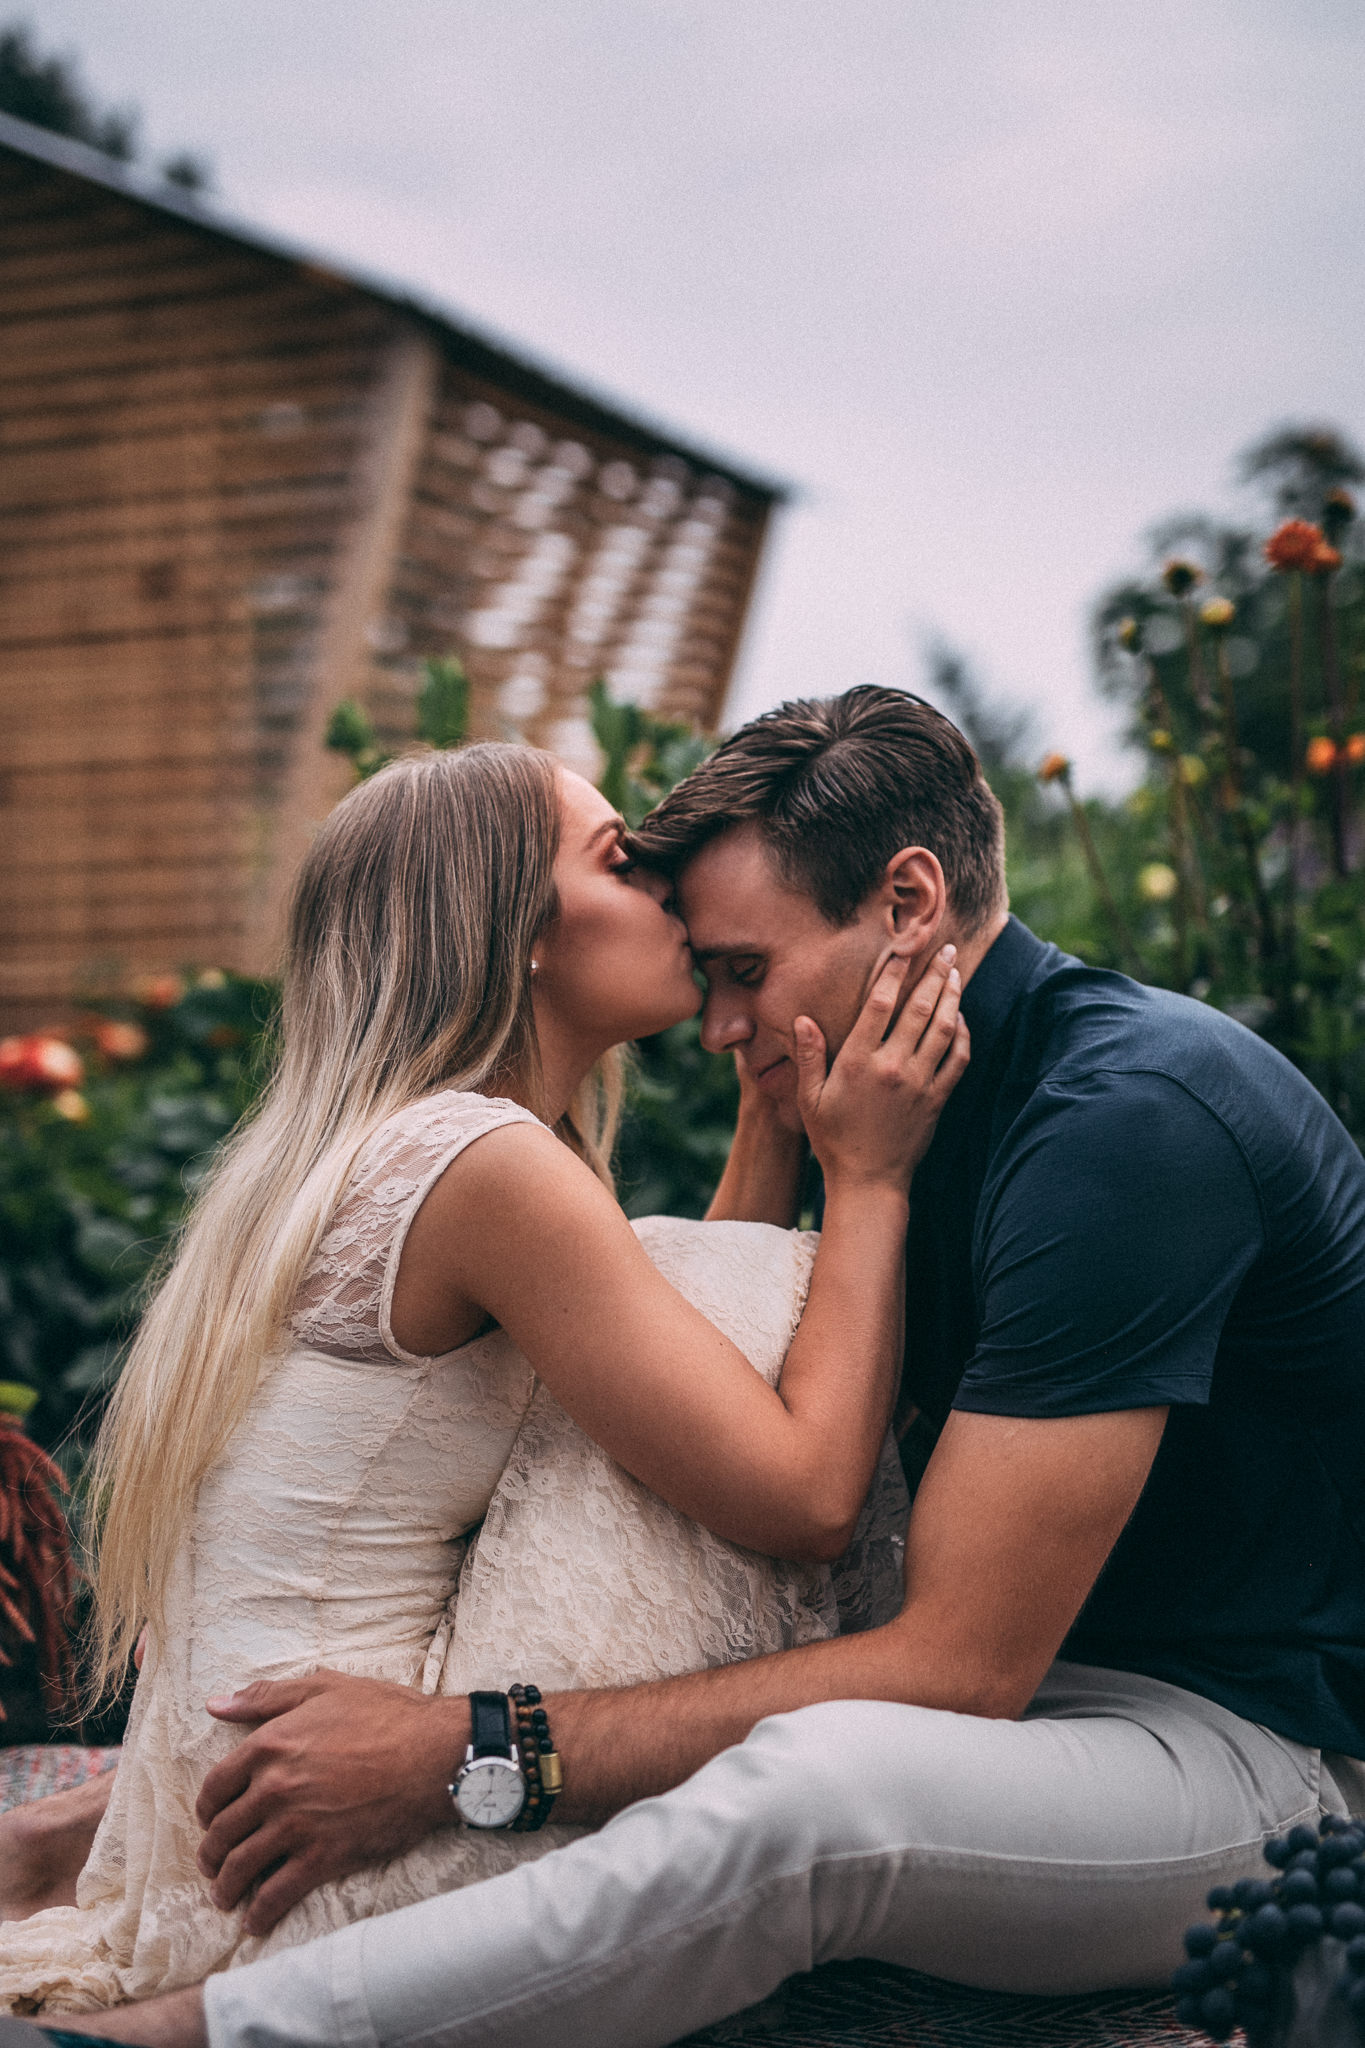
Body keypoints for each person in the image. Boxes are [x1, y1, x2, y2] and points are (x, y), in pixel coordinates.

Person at [11, 684, 1365, 2048]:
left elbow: (956, 1667)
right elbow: (698, 1431)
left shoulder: (1121, 1127)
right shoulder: (887, 1100)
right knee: (730, 1731)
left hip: (1232, 1755)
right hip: (1026, 1698)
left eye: (741, 970)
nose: (720, 1027)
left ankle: (190, 2039)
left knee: (813, 1794)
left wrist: (471, 1751)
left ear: (907, 905)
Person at [0, 737, 967, 2009]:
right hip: (349, 1840)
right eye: (623, 861)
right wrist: (873, 1178)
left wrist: (769, 1123)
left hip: (243, 1830)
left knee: (688, 1274)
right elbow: (803, 1493)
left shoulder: (392, 1142)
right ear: (519, 928)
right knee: (737, 1293)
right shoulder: (488, 1165)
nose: (673, 889)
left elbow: (676, 1366)